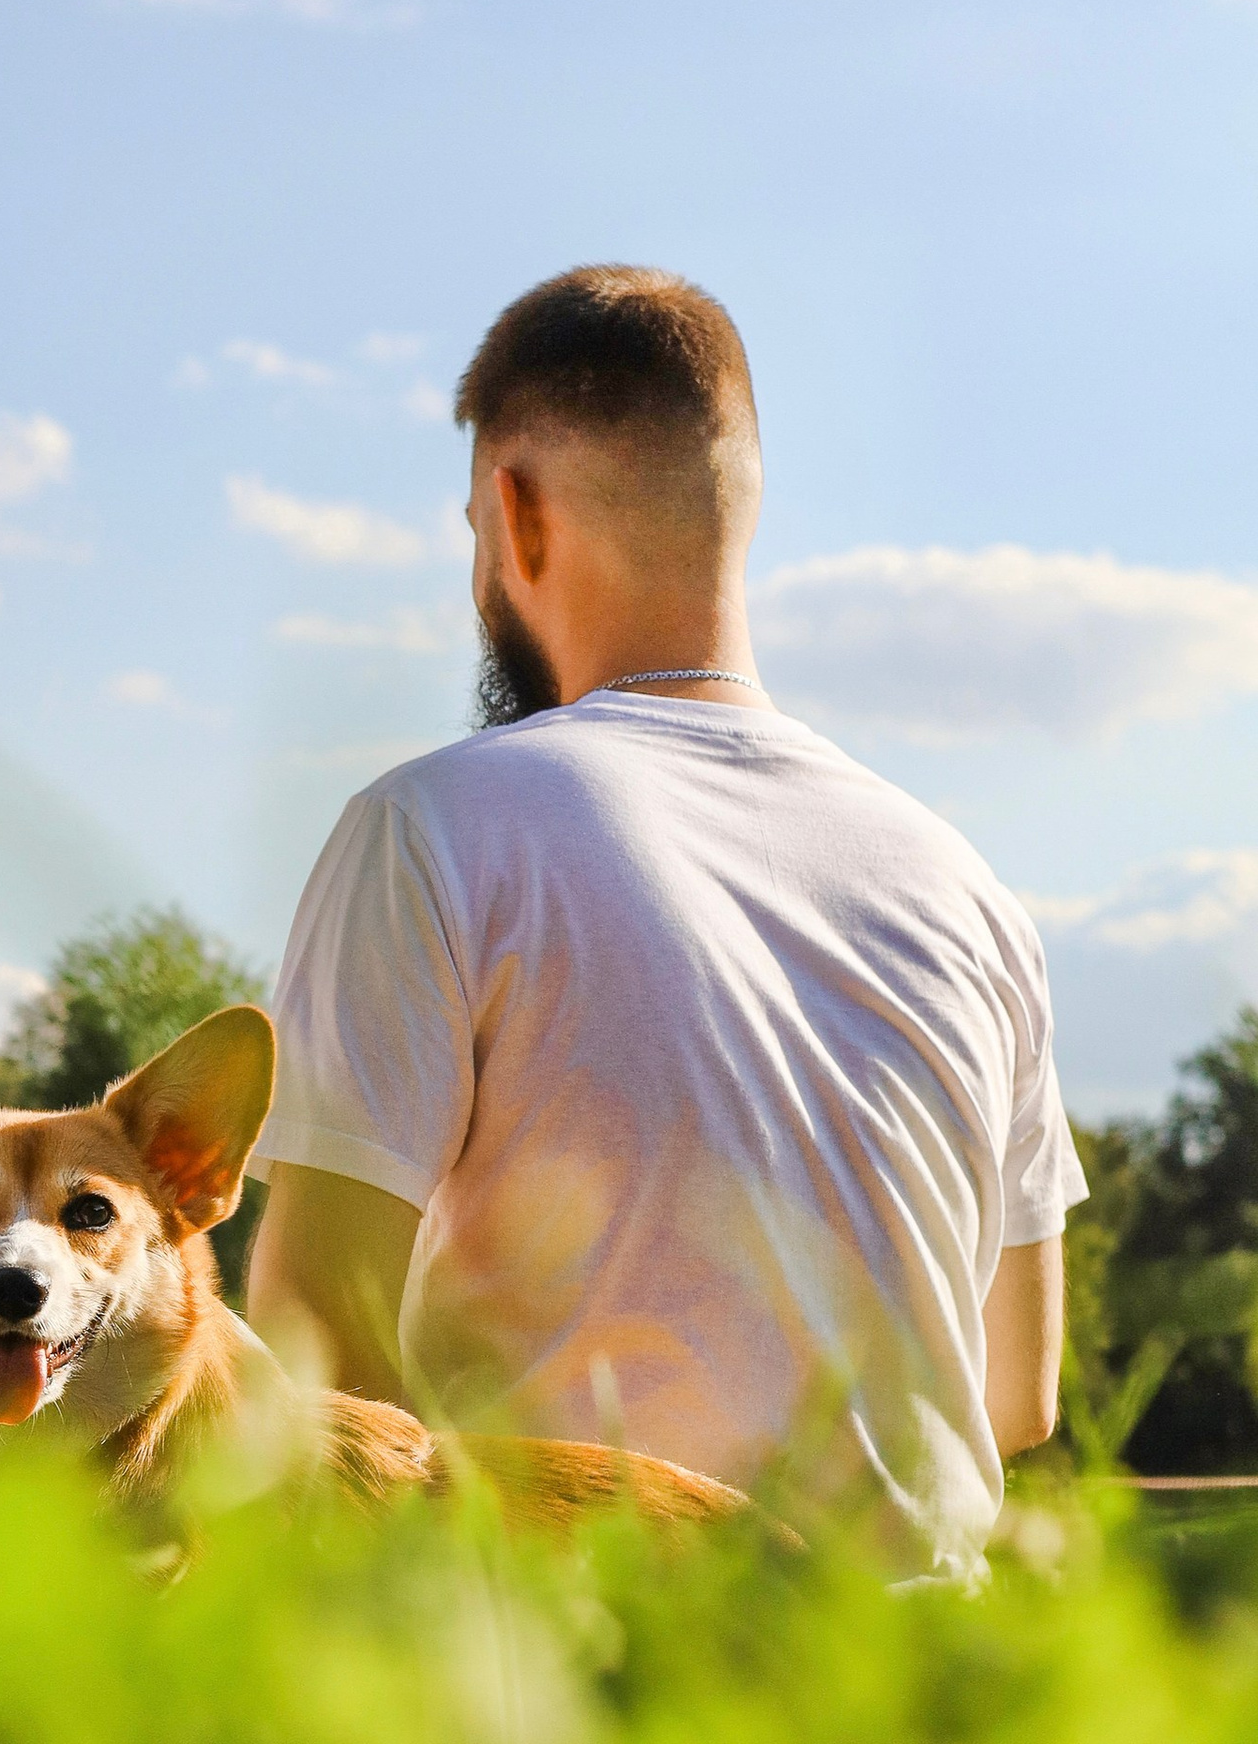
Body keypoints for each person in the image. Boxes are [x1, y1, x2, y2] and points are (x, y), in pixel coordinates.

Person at [247, 265, 1085, 1572]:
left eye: (476, 528)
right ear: (739, 512)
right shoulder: (973, 893)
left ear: (514, 517)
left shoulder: (434, 827)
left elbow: (317, 1360)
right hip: (937, 1703)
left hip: (597, 1685)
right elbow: (1017, 1392)